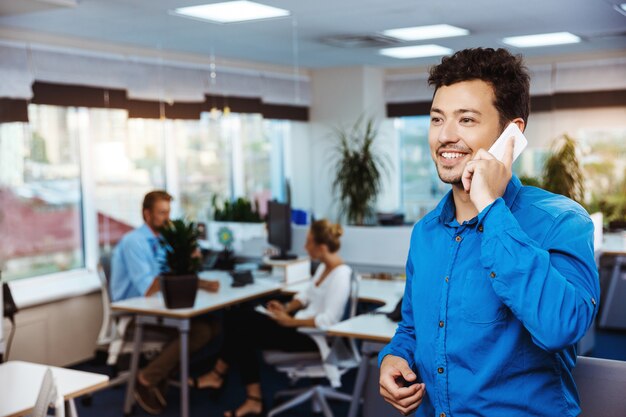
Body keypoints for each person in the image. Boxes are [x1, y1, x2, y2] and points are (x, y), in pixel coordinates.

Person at [378, 48, 599, 417]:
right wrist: (393, 357)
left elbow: (561, 326)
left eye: (466, 120)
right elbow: (412, 327)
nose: (445, 136)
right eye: (436, 119)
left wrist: (492, 209)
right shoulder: (426, 233)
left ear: (511, 133)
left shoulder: (561, 221)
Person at [191, 219, 352, 417]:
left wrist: (290, 321)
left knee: (244, 325)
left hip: (314, 337)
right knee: (237, 314)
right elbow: (305, 296)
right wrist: (285, 307)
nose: (304, 247)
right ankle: (234, 385)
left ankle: (236, 387)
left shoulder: (341, 275)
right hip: (299, 326)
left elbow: (329, 320)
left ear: (322, 247)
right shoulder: (323, 267)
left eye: (309, 242)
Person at [110, 190, 220, 415]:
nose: (167, 218)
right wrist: (179, 258)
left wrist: (197, 274)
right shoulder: (135, 242)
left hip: (159, 306)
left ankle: (159, 372)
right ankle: (146, 378)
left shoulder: (162, 239)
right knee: (199, 331)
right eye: (161, 213)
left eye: (168, 212)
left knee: (215, 324)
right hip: (134, 312)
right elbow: (149, 288)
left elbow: (172, 276)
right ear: (146, 214)